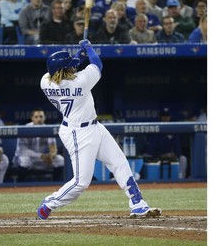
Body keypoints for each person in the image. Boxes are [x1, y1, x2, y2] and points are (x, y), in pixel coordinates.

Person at [36, 39, 162, 219]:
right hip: (78, 133)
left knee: (119, 162)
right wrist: (88, 48)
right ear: (64, 71)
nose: (73, 69)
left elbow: (64, 71)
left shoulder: (45, 81)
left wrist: (77, 59)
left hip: (93, 127)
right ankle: (49, 203)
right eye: (70, 67)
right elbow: (97, 64)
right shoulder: (79, 82)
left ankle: (137, 203)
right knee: (81, 182)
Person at [12, 108, 64, 181]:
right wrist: (41, 156)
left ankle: (56, 185)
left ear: (44, 118)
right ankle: (19, 186)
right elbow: (23, 151)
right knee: (25, 160)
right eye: (36, 117)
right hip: (26, 159)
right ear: (32, 118)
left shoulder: (48, 129)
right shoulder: (25, 129)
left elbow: (53, 148)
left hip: (42, 159)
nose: (39, 119)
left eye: (41, 116)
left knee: (60, 160)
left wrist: (51, 156)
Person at [142, 107, 187, 179]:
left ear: (170, 116)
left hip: (171, 157)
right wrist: (161, 155)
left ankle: (181, 179)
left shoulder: (173, 129)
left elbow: (178, 147)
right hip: (158, 157)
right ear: (160, 116)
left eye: (167, 116)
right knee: (146, 157)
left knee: (183, 158)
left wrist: (174, 154)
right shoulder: (155, 129)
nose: (165, 118)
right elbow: (151, 149)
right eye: (163, 116)